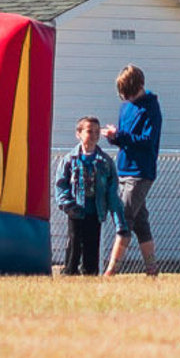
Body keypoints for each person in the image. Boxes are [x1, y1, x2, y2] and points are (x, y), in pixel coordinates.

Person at [102, 64, 162, 279]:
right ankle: (152, 269)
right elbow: (124, 139)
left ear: (140, 86)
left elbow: (147, 141)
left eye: (130, 93)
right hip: (123, 169)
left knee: (124, 218)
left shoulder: (151, 108)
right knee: (140, 222)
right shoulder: (125, 107)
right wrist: (114, 137)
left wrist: (121, 136)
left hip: (141, 172)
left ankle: (111, 270)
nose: (127, 98)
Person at [54, 116, 112, 276]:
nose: (93, 135)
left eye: (96, 131)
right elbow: (61, 184)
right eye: (89, 131)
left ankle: (90, 272)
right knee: (74, 242)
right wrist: (67, 204)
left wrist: (112, 206)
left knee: (92, 243)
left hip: (95, 210)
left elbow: (111, 186)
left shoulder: (104, 161)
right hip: (76, 209)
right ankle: (70, 271)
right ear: (78, 133)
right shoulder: (69, 159)